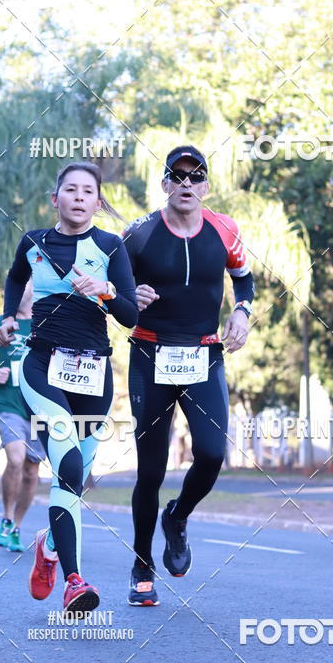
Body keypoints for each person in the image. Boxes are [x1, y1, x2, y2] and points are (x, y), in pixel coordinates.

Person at [0, 162, 137, 615]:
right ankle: (74, 581)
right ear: (55, 199)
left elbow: (132, 316)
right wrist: (10, 318)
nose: (78, 197)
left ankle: (48, 548)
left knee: (73, 481)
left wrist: (107, 291)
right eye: (69, 190)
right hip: (42, 366)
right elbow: (16, 276)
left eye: (88, 191)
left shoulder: (112, 247)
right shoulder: (34, 242)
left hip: (94, 375)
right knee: (68, 460)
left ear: (98, 202)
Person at [123, 145, 254, 605]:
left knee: (213, 452)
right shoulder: (138, 234)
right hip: (150, 354)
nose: (185, 183)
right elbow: (113, 290)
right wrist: (127, 297)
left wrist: (241, 311)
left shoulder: (224, 229)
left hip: (204, 354)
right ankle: (142, 565)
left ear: (205, 187)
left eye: (194, 176)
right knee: (151, 470)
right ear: (164, 184)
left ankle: (177, 517)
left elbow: (244, 277)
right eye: (176, 176)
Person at [0, 281, 45, 553]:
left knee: (32, 472)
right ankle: (6, 517)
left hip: (38, 408)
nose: (32, 288)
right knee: (15, 459)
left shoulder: (45, 324)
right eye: (26, 284)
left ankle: (16, 528)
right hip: (8, 404)